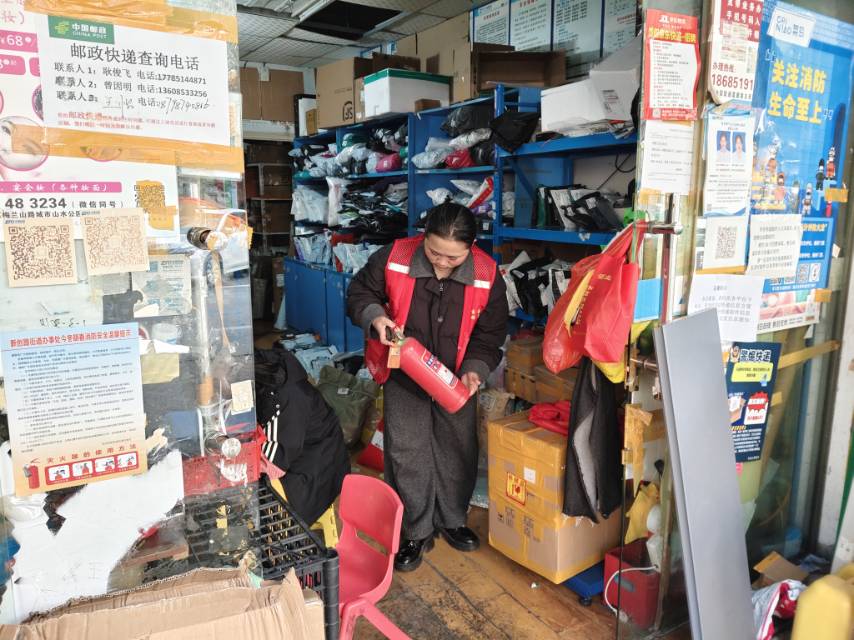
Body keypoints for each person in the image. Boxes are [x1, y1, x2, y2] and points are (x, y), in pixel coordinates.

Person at [347, 203, 508, 571]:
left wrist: (475, 369)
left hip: (456, 378)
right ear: (423, 237)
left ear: (471, 247)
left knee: (458, 447)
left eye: (453, 257)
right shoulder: (394, 257)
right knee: (406, 450)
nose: (442, 262)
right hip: (404, 372)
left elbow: (491, 332)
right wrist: (377, 318)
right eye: (435, 252)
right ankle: (415, 530)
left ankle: (452, 519)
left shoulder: (486, 273)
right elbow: (359, 293)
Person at [254, 346, 350, 525]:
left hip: (317, 469)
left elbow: (273, 466)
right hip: (315, 452)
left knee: (259, 493)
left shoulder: (282, 398)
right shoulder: (271, 371)